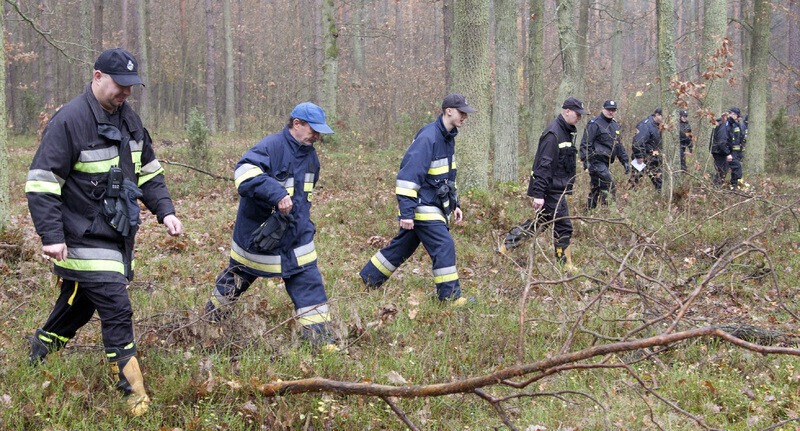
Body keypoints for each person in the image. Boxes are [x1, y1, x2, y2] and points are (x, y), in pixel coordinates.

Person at [24, 48, 183, 416]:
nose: (126, 92)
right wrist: (52, 236)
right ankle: (134, 397)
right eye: (119, 84)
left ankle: (37, 356)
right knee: (116, 307)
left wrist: (166, 212)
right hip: (80, 237)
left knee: (77, 306)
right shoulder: (69, 120)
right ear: (97, 77)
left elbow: (149, 173)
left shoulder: (131, 121)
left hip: (116, 236)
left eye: (131, 86)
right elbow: (41, 183)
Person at [203, 102, 339, 351]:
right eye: (313, 130)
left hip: (296, 236)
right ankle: (210, 321)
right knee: (237, 278)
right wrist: (276, 194)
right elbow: (244, 173)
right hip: (259, 236)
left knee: (308, 280)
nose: (317, 137)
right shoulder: (270, 146)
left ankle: (321, 341)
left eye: (320, 132)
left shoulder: (311, 156)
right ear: (297, 124)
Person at [359, 94, 475, 306]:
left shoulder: (448, 137)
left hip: (432, 204)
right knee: (444, 245)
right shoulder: (428, 137)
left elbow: (448, 177)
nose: (465, 116)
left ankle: (367, 280)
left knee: (402, 247)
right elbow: (408, 177)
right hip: (423, 206)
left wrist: (455, 204)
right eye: (462, 112)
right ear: (449, 111)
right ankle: (450, 298)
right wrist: (407, 213)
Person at [497, 97, 589, 270]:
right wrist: (538, 194)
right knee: (563, 226)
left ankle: (505, 247)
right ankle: (565, 265)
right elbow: (543, 166)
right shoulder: (553, 134)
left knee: (540, 223)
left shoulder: (566, 131)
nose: (579, 118)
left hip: (557, 189)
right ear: (567, 111)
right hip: (550, 190)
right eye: (577, 114)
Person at [579, 100, 630, 210]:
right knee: (609, 184)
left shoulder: (615, 125)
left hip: (606, 162)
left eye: (613, 110)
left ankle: (589, 210)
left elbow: (619, 145)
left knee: (596, 188)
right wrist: (586, 160)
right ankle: (609, 209)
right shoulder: (594, 124)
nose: (611, 112)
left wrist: (625, 161)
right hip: (595, 161)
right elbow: (586, 143)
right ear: (603, 108)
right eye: (608, 109)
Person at [629, 108, 664, 191]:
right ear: (657, 115)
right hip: (643, 159)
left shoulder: (659, 126)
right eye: (663, 116)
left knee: (660, 183)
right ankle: (628, 197)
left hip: (655, 160)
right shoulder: (645, 125)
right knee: (635, 182)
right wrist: (639, 156)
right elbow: (638, 142)